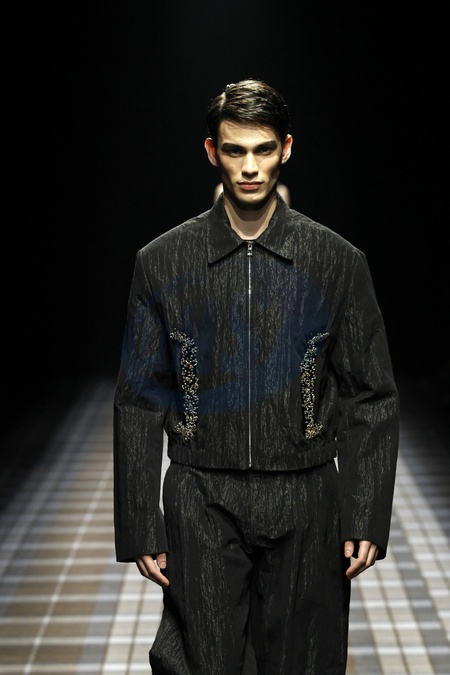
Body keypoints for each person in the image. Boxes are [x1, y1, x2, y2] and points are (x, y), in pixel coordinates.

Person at [113, 79, 399, 674]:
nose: (249, 167)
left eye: (263, 150)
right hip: (201, 495)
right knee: (202, 661)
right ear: (211, 152)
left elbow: (370, 394)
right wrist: (140, 521)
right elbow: (139, 399)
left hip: (306, 495)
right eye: (235, 150)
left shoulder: (336, 261)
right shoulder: (162, 261)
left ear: (286, 149)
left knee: (304, 661)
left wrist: (366, 510)